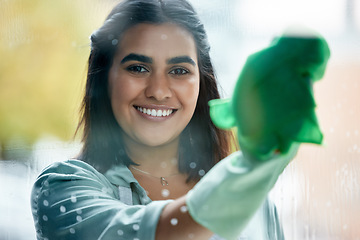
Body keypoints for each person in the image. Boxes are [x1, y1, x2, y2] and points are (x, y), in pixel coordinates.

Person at [31, 0, 330, 239]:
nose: (159, 91)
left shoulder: (252, 198)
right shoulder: (62, 189)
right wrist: (251, 169)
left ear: (202, 83)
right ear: (103, 80)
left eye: (179, 71)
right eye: (137, 68)